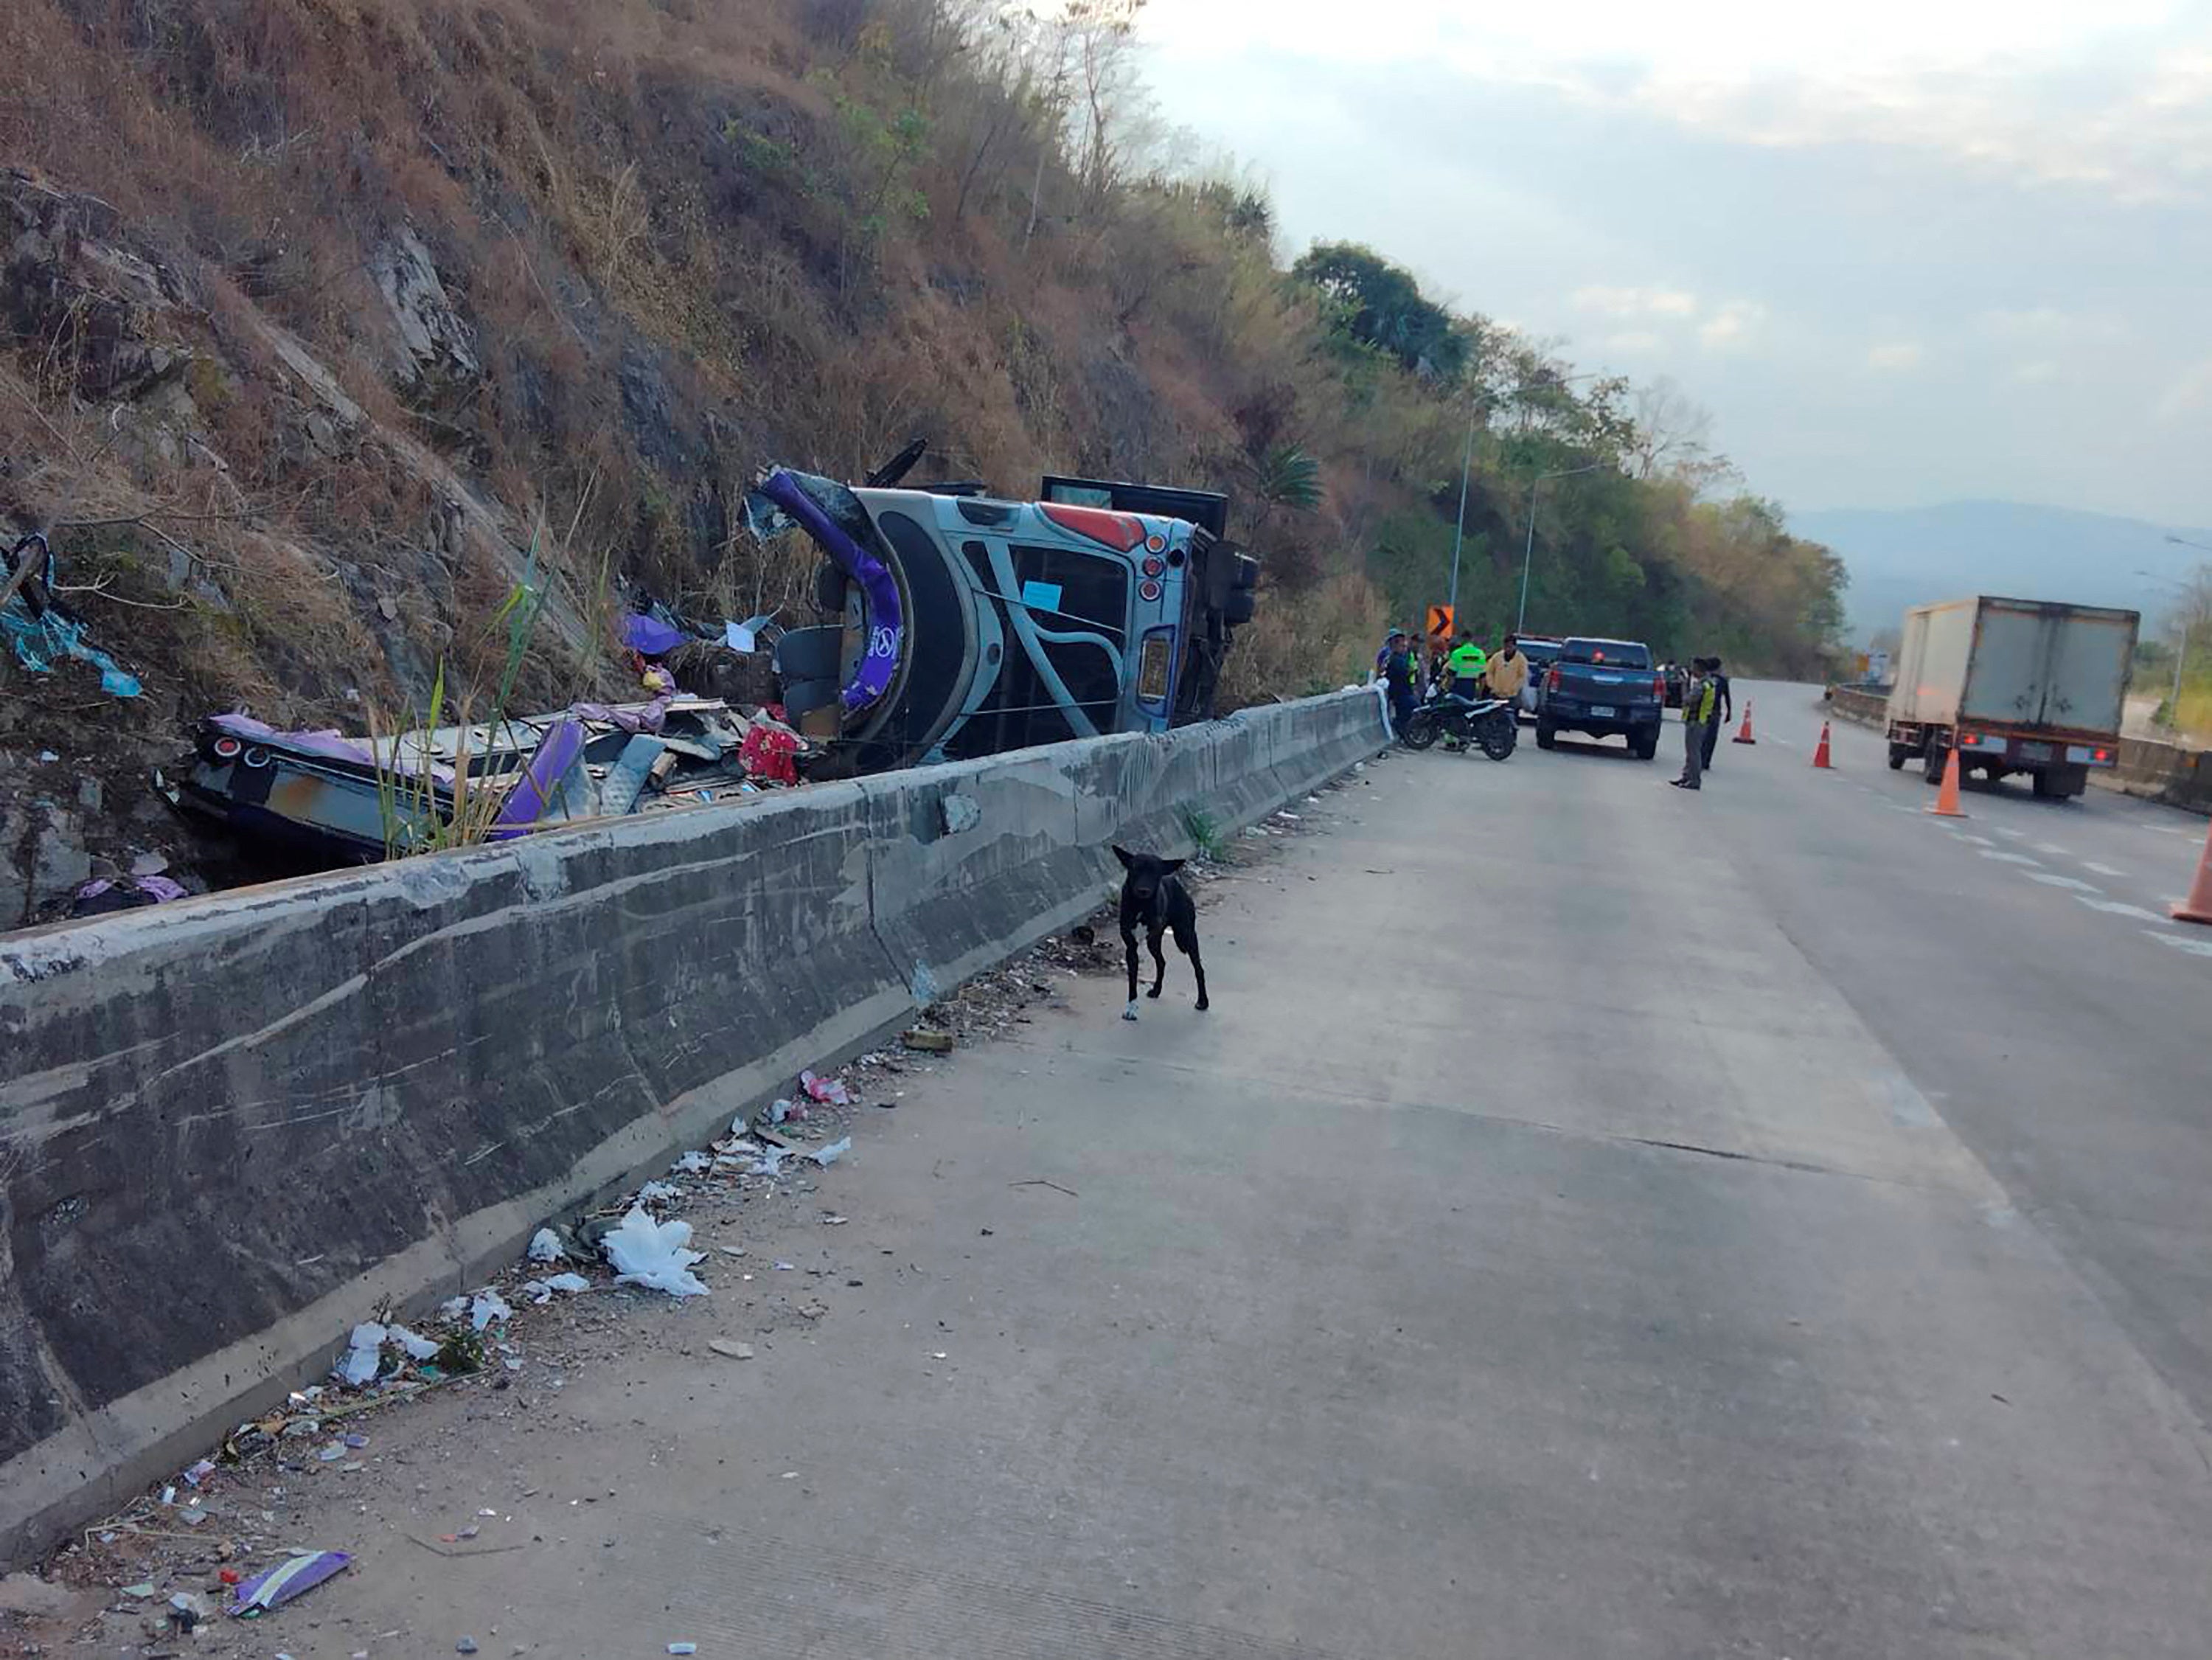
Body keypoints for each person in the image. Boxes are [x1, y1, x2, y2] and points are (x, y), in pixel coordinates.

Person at [1672, 658, 1716, 790]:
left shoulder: (1702, 685)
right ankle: (1687, 777)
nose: (1692, 671)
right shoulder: (1708, 683)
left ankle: (1694, 780)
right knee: (1691, 752)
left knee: (1694, 753)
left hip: (1697, 722)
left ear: (1699, 670)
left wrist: (1684, 686)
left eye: (1694, 668)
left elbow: (1688, 700)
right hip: (1699, 721)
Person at [1382, 630, 1420, 737]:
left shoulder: (1404, 656)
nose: (1404, 647)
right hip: (1400, 691)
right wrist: (1410, 670)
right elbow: (1403, 672)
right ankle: (1400, 727)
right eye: (1401, 645)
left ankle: (1403, 731)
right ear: (1394, 644)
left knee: (1405, 712)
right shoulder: (1395, 659)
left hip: (1405, 689)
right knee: (1412, 708)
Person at [1700, 656, 1733, 771]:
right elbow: (1727, 697)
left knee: (1701, 736)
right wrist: (1729, 712)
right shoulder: (1723, 681)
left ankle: (1699, 758)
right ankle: (1706, 761)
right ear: (1718, 667)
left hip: (1704, 710)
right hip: (1715, 712)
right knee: (1711, 738)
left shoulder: (1704, 679)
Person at [1484, 633, 1529, 706]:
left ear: (1515, 646)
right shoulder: (1497, 657)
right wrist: (1492, 685)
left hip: (1511, 696)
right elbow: (1489, 672)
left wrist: (1514, 688)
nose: (1508, 649)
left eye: (1510, 647)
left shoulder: (1521, 660)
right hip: (1496, 693)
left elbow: (1522, 676)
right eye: (1506, 647)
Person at [1446, 633, 1488, 699]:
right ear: (1472, 640)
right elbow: (1483, 677)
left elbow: (1451, 675)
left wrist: (1448, 688)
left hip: (1459, 687)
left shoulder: (1456, 653)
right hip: (1473, 686)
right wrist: (1480, 692)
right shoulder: (1480, 654)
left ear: (1462, 640)